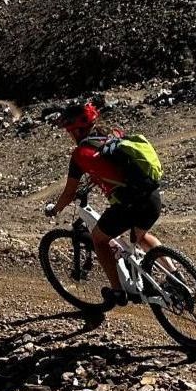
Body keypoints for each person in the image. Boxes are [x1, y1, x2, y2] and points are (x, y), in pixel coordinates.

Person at [46, 102, 164, 306]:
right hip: (152, 196)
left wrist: (56, 209)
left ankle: (118, 292)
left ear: (78, 129)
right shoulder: (115, 134)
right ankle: (176, 276)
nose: (70, 135)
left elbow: (69, 193)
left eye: (70, 131)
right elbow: (116, 167)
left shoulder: (80, 155)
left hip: (129, 205)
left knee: (99, 239)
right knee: (142, 236)